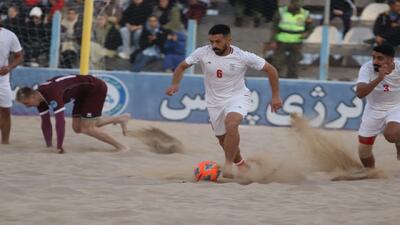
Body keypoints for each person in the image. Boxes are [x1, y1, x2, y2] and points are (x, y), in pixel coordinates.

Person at [165, 24, 282, 178]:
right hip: (214, 102)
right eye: (211, 42)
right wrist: (175, 83)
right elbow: (181, 67)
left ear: (229, 40)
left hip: (237, 97)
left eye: (218, 41)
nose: (214, 45)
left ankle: (227, 166)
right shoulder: (202, 52)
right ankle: (242, 165)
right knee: (223, 140)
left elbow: (271, 70)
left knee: (231, 123)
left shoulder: (242, 56)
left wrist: (275, 96)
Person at [16, 74, 130, 153]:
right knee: (78, 128)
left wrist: (59, 146)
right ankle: (120, 119)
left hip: (95, 88)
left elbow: (60, 122)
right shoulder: (39, 99)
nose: (27, 106)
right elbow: (46, 123)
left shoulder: (52, 93)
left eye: (26, 103)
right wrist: (49, 145)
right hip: (82, 93)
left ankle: (121, 146)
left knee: (87, 128)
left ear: (33, 96)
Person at [356, 44, 400, 168]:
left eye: (380, 58)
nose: (375, 61)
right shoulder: (367, 68)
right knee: (363, 151)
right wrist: (379, 78)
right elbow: (360, 93)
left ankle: (398, 141)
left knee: (391, 135)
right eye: (373, 57)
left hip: (396, 106)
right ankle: (371, 172)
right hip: (373, 109)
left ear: (391, 60)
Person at [267, 0, 312, 79]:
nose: (297, 5)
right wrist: (273, 40)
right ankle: (275, 78)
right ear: (291, 3)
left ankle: (292, 79)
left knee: (294, 62)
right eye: (295, 3)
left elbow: (310, 28)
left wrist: (306, 34)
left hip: (297, 42)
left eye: (299, 4)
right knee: (278, 61)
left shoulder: (305, 14)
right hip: (281, 40)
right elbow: (274, 27)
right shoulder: (281, 12)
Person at [0, 26, 24, 145]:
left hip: (2, 79)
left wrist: (9, 67)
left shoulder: (10, 35)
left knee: (5, 110)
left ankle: (5, 141)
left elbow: (19, 56)